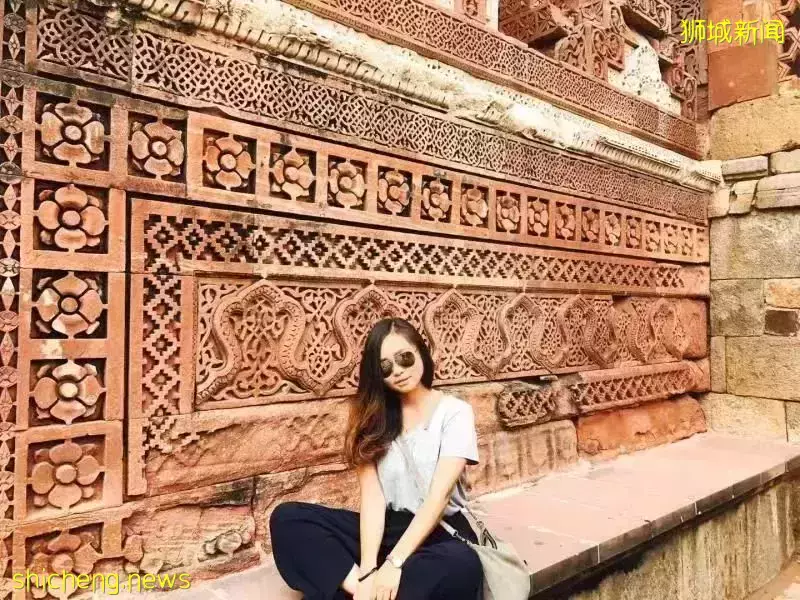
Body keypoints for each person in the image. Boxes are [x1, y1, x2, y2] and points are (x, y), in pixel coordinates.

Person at [270, 317, 483, 600]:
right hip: (388, 529)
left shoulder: (454, 412)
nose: (398, 371)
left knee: (461, 565)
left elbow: (438, 497)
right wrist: (369, 570)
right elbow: (373, 499)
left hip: (440, 530)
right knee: (289, 519)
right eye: (385, 367)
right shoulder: (373, 418)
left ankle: (355, 590)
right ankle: (364, 592)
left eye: (404, 358)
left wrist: (394, 563)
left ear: (420, 351)